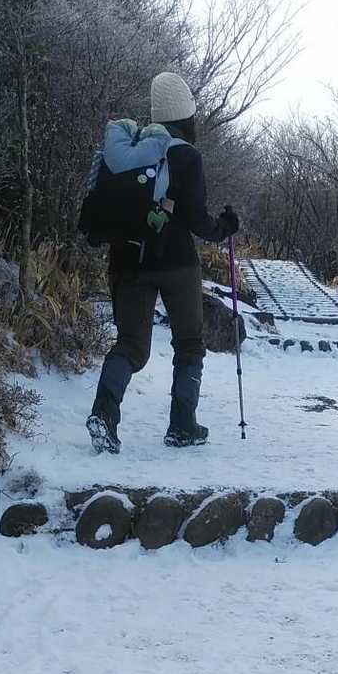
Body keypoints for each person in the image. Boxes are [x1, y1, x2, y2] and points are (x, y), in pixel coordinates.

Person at [86, 72, 239, 454]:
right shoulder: (186, 155)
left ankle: (104, 415)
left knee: (131, 345)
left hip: (128, 259)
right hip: (177, 263)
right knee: (189, 343)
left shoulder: (134, 149)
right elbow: (197, 220)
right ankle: (182, 425)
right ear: (187, 116)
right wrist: (225, 227)